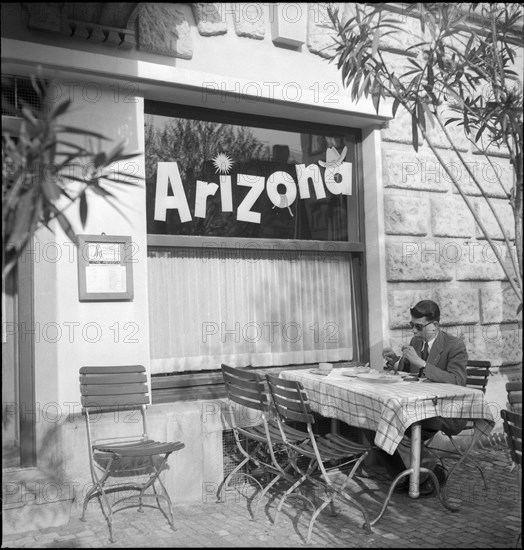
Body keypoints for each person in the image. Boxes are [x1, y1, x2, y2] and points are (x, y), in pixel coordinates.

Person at [379, 299, 468, 496]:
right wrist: (393, 360)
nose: (414, 331)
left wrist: (421, 363)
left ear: (434, 325)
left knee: (398, 423)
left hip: (447, 409)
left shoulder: (454, 345)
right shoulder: (416, 342)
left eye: (418, 326)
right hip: (416, 406)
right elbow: (407, 372)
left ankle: (431, 471)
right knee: (378, 420)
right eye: (412, 325)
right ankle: (408, 474)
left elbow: (458, 381)